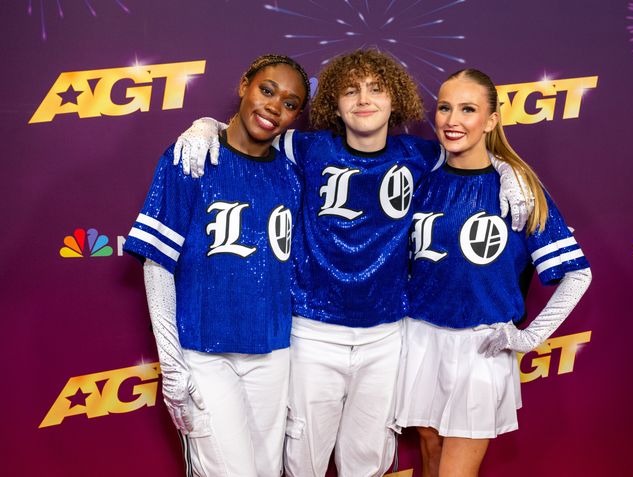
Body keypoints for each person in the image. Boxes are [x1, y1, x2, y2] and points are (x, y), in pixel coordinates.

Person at [173, 49, 531, 477]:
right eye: (350, 90)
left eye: (376, 89)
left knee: (368, 461)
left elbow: (471, 152)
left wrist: (508, 170)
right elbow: (250, 133)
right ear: (333, 105)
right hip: (312, 332)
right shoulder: (303, 147)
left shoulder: (421, 156)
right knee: (302, 458)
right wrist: (203, 126)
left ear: (395, 98)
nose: (364, 99)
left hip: (387, 336)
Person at [394, 68, 592, 477]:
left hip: (479, 348)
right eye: (445, 108)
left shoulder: (519, 188)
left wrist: (528, 338)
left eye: (468, 109)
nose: (452, 120)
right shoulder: (420, 173)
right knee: (429, 454)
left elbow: (578, 274)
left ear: (491, 120)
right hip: (419, 338)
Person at [123, 54, 311, 477]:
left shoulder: (289, 175)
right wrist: (171, 365)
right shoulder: (191, 155)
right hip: (205, 353)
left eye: (290, 102)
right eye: (267, 90)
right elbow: (156, 264)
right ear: (244, 84)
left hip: (272, 352)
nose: (274, 107)